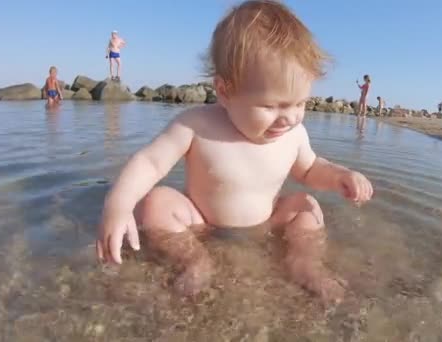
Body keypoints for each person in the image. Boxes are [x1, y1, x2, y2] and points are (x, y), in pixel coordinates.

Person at [96, 0, 373, 305]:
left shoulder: (294, 134)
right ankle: (194, 260)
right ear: (225, 92)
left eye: (299, 103)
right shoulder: (197, 125)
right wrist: (118, 204)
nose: (289, 117)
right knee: (156, 202)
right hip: (200, 221)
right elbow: (149, 162)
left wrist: (340, 177)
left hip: (267, 221)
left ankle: (305, 263)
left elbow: (310, 170)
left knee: (306, 206)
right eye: (271, 106)